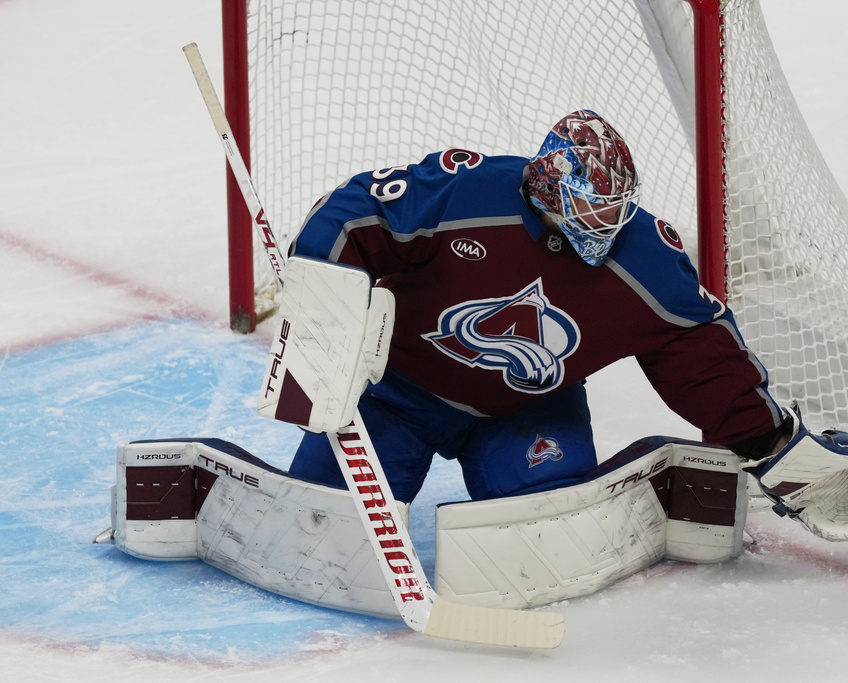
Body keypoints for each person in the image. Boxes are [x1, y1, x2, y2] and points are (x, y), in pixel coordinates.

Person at [281, 109, 806, 505]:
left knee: (548, 518)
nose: (602, 224)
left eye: (614, 210)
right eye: (587, 207)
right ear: (546, 190)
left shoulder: (646, 256)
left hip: (530, 408)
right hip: (393, 394)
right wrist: (325, 307)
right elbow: (352, 217)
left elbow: (699, 347)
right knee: (321, 514)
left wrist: (765, 439)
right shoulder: (465, 192)